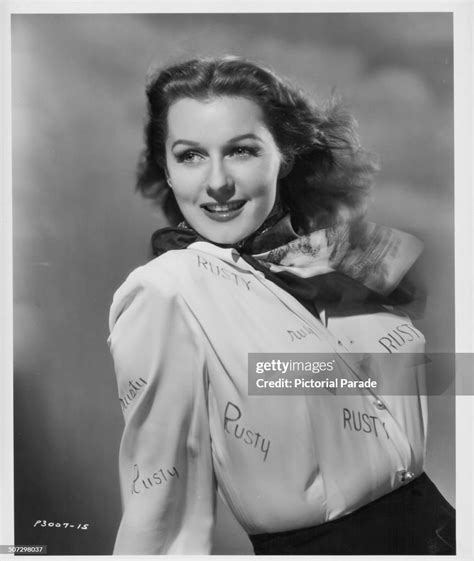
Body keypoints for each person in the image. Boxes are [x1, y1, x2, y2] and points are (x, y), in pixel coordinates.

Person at [107, 56, 455, 555]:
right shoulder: (166, 292)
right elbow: (159, 505)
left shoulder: (336, 257)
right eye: (190, 156)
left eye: (242, 151)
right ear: (167, 166)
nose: (218, 182)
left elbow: (432, 382)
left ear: (283, 155)